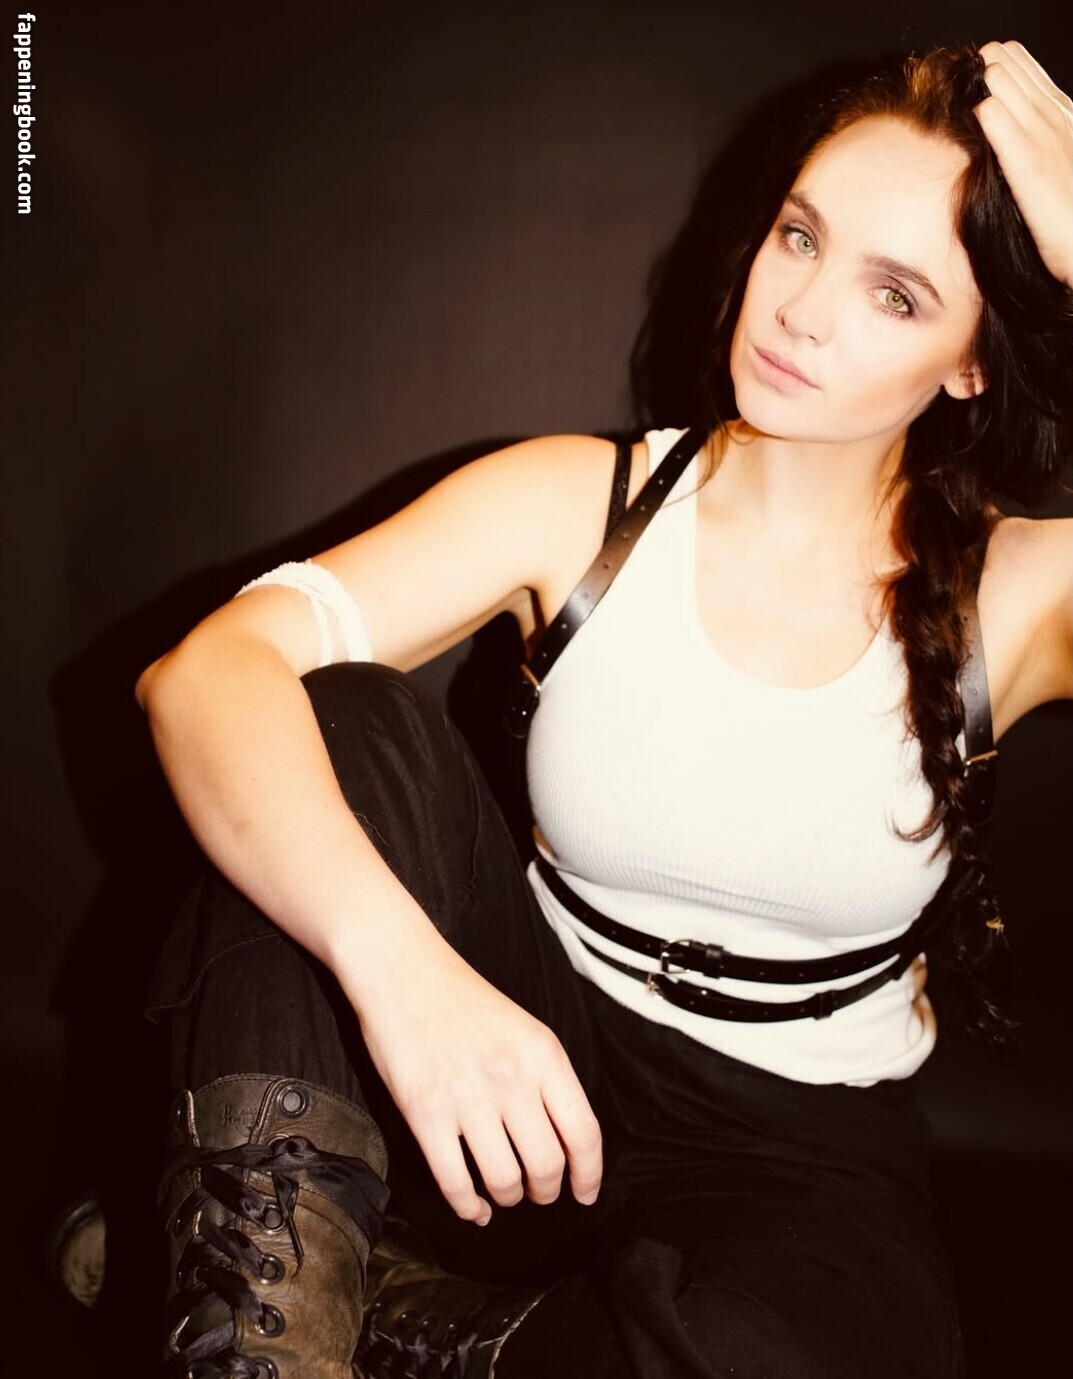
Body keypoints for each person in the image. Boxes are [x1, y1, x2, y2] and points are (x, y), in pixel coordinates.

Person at [134, 39, 1071, 1379]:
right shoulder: (578, 502)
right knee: (333, 722)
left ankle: (434, 1326)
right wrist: (405, 980)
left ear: (972, 363)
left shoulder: (1016, 595)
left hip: (791, 1147)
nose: (802, 311)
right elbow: (206, 673)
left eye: (894, 293)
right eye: (800, 236)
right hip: (509, 1053)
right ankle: (257, 1341)